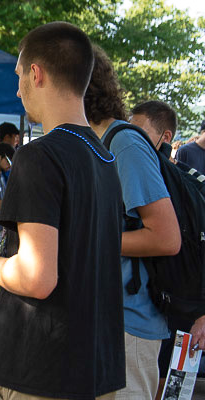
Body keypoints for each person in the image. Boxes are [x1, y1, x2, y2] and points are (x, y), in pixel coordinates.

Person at [0, 22, 125, 399]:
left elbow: (37, 277)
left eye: (19, 77)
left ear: (37, 73)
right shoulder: (105, 159)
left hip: (38, 371)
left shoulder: (38, 156)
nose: (18, 90)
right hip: (95, 369)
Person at [84, 47, 181, 398]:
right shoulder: (94, 141)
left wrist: (87, 237)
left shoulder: (124, 143)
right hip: (106, 321)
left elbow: (166, 238)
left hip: (131, 327)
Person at [128, 100, 205, 399]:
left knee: (171, 390)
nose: (130, 140)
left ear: (166, 137)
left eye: (138, 133)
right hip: (149, 312)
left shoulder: (193, 185)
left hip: (185, 312)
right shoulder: (134, 181)